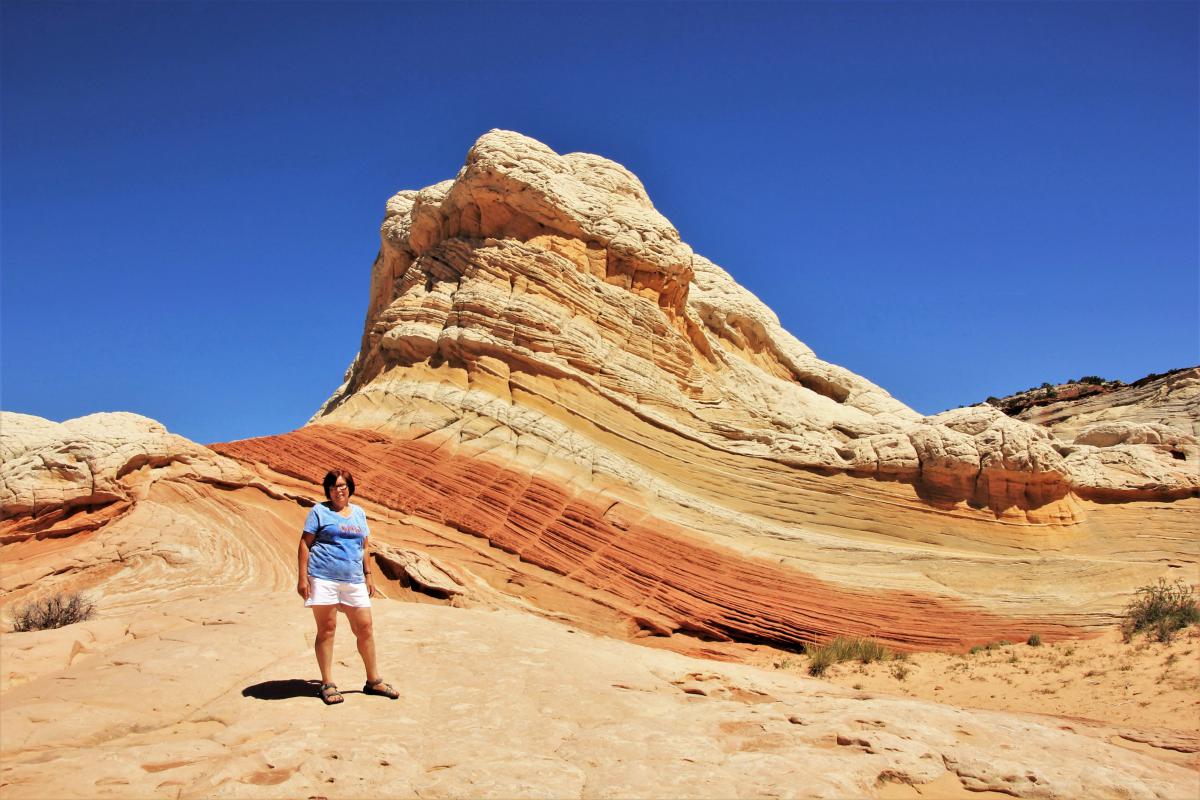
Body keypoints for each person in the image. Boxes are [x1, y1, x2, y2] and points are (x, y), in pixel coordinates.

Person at [296, 469, 398, 705]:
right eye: (333, 487)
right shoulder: (319, 511)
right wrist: (303, 578)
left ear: (350, 488)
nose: (338, 490)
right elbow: (305, 543)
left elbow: (364, 546)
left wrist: (369, 575)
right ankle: (327, 684)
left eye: (342, 486)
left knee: (365, 629)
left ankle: (373, 681)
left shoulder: (359, 514)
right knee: (327, 629)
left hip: (353, 580)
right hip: (323, 577)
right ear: (327, 491)